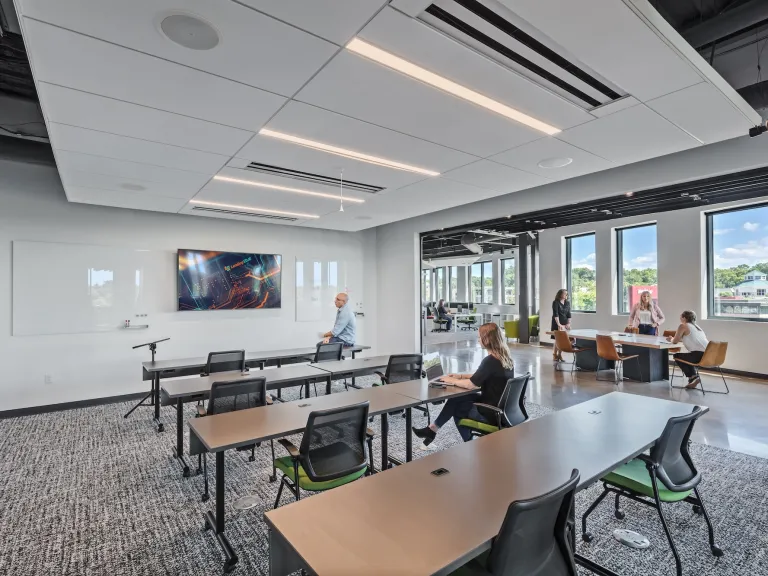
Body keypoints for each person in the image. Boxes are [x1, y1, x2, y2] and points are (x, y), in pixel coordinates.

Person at [412, 323, 514, 445]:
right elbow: (481, 376)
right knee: (458, 398)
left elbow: (471, 385)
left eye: (479, 337)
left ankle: (469, 442)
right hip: (502, 408)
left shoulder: (490, 361)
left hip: (491, 413)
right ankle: (432, 429)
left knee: (458, 409)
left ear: (487, 339)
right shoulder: (505, 358)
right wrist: (459, 376)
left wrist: (451, 381)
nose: (478, 340)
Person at [666, 310, 709, 389]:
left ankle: (692, 377)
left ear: (684, 318)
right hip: (708, 355)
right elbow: (691, 339)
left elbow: (675, 341)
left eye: (680, 317)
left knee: (677, 356)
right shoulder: (698, 327)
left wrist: (671, 339)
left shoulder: (683, 326)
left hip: (698, 355)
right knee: (685, 357)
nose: (680, 319)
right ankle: (693, 377)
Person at [551, 289, 571, 362]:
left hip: (565, 324)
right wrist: (559, 324)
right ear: (560, 294)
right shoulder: (555, 302)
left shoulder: (567, 303)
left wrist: (568, 323)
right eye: (564, 294)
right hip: (557, 323)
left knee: (562, 340)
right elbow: (555, 314)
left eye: (566, 294)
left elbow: (569, 314)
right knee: (557, 340)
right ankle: (554, 354)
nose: (566, 295)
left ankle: (559, 355)